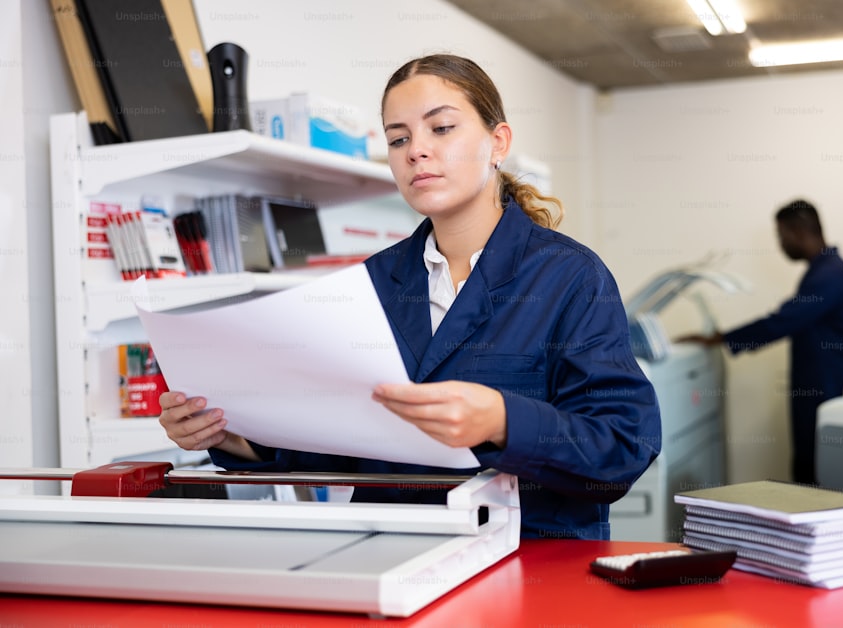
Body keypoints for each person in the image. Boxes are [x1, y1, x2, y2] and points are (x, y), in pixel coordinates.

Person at [157, 54, 661, 540]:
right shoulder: (372, 281)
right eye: (399, 138)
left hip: (528, 565)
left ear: (497, 141)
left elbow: (621, 448)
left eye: (441, 129)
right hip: (392, 557)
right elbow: (338, 440)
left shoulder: (569, 276)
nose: (416, 150)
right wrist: (230, 437)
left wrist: (503, 421)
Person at [678, 199, 843, 485]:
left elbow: (783, 321)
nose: (781, 244)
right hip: (819, 388)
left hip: (828, 390)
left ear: (798, 231)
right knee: (809, 472)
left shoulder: (830, 275)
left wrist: (722, 338)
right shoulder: (823, 271)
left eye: (781, 236)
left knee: (818, 477)